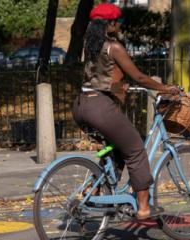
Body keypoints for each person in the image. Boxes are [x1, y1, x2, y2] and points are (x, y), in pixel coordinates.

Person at [72, 3, 180, 220]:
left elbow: (102, 76)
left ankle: (93, 190)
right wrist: (165, 88)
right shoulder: (113, 47)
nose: (120, 25)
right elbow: (138, 76)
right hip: (100, 108)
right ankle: (144, 207)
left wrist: (119, 87)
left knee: (119, 149)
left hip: (81, 105)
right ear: (110, 23)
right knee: (136, 149)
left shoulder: (91, 45)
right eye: (119, 21)